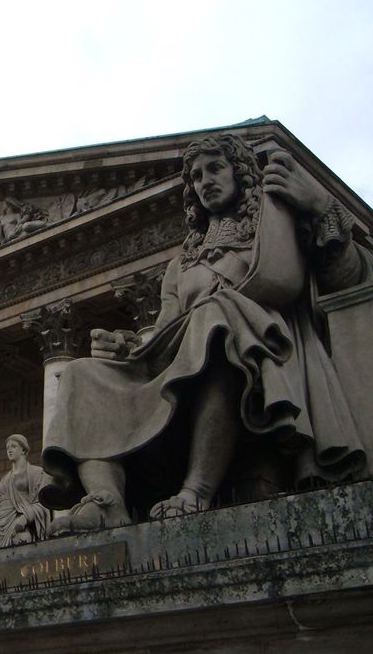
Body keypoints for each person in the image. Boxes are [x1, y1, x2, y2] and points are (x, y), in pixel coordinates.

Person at [41, 134, 372, 535]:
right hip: (182, 364)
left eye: (216, 168)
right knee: (80, 373)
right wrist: (128, 345)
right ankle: (108, 501)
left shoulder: (276, 232)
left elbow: (347, 279)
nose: (205, 181)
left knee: (215, 318)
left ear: (242, 173)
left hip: (261, 362)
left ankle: (197, 489)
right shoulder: (181, 266)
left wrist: (319, 207)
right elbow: (162, 332)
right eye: (197, 176)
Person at [0, 434, 51, 546]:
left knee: (25, 542)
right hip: (2, 526)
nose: (9, 450)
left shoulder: (36, 473)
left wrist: (25, 517)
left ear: (23, 450)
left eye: (13, 446)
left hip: (24, 526)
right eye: (8, 448)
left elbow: (44, 503)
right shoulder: (5, 480)